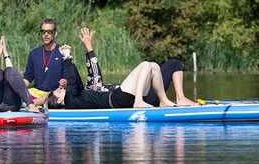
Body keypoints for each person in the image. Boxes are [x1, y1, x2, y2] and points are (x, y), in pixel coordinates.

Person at [77, 28, 197, 106]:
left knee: (173, 64)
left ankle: (180, 98)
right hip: (141, 99)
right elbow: (95, 72)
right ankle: (140, 101)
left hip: (149, 91)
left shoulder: (95, 86)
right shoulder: (90, 90)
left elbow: (92, 70)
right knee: (145, 65)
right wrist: (88, 47)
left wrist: (86, 48)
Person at [47, 44, 177, 109]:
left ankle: (164, 101)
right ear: (58, 101)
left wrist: (70, 59)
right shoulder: (69, 102)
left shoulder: (75, 97)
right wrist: (67, 58)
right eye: (58, 91)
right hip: (115, 100)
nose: (61, 88)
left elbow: (75, 81)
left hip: (118, 99)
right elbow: (70, 81)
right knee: (145, 65)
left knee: (154, 66)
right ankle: (138, 101)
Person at [23, 18, 67, 99]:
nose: (46, 34)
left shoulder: (63, 52)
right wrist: (15, 87)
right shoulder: (33, 53)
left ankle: (33, 104)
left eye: (49, 32)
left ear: (55, 33)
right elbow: (28, 78)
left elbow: (68, 78)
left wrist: (65, 82)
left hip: (55, 94)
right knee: (20, 95)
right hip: (37, 93)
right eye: (43, 32)